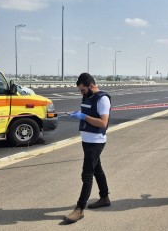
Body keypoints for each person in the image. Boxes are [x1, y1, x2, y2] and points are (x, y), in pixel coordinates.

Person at [65, 73, 111, 223]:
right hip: (87, 140)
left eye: (83, 90)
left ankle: (79, 209)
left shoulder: (102, 99)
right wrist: (78, 115)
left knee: (87, 174)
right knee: (97, 169)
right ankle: (104, 197)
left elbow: (103, 123)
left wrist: (83, 117)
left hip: (96, 141)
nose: (82, 93)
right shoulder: (88, 96)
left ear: (91, 86)